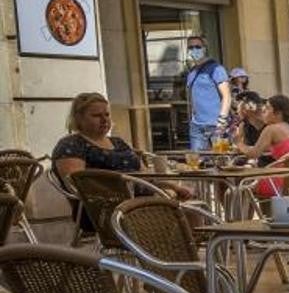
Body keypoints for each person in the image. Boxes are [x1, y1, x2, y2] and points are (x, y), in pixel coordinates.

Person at [52, 93, 191, 227]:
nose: (104, 120)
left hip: (141, 202)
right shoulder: (71, 145)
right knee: (183, 215)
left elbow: (146, 176)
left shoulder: (118, 142)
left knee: (193, 209)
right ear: (79, 118)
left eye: (106, 114)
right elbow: (77, 183)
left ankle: (180, 249)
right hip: (106, 211)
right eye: (96, 115)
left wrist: (174, 187)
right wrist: (124, 192)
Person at [234, 95, 289, 196]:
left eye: (267, 108)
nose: (263, 110)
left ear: (278, 113)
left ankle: (240, 211)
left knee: (236, 182)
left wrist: (238, 143)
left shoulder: (271, 129)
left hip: (276, 181)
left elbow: (253, 154)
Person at [183, 35, 231, 152]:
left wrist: (222, 121)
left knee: (221, 161)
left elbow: (227, 96)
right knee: (198, 163)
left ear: (205, 48)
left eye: (197, 47)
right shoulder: (191, 73)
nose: (194, 50)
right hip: (197, 126)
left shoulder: (216, 69)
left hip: (216, 125)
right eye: (191, 47)